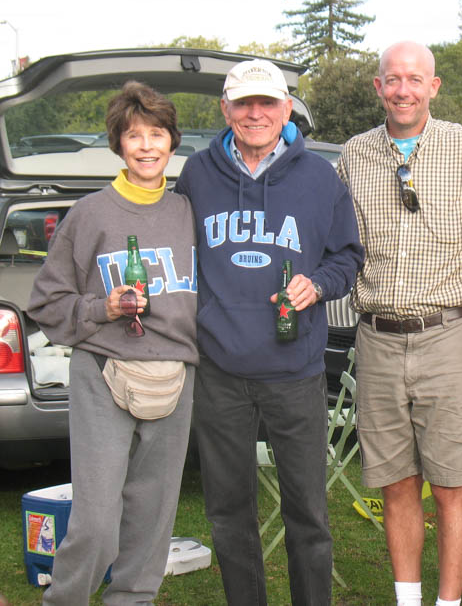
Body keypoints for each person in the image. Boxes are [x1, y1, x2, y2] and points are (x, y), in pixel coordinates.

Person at [174, 59, 363, 605]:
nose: (255, 114)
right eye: (243, 104)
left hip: (294, 370)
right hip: (221, 372)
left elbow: (347, 258)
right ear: (225, 110)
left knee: (308, 514)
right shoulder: (198, 175)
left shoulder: (319, 178)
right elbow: (179, 255)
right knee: (229, 514)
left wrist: (318, 286)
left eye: (267, 103)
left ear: (286, 110)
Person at [28, 81, 198, 604]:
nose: (146, 146)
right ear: (118, 145)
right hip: (103, 372)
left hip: (176, 374)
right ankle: (66, 599)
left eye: (156, 134)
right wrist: (105, 307)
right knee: (97, 520)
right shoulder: (89, 215)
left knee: (152, 517)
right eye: (133, 136)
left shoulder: (188, 212)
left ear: (172, 142)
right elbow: (46, 304)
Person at [336, 41, 462, 606]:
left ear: (434, 86)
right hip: (375, 338)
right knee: (397, 484)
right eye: (393, 79)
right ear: (378, 87)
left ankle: (447, 604)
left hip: (448, 335)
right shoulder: (354, 154)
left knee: (451, 482)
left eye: (415, 79)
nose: (404, 90)